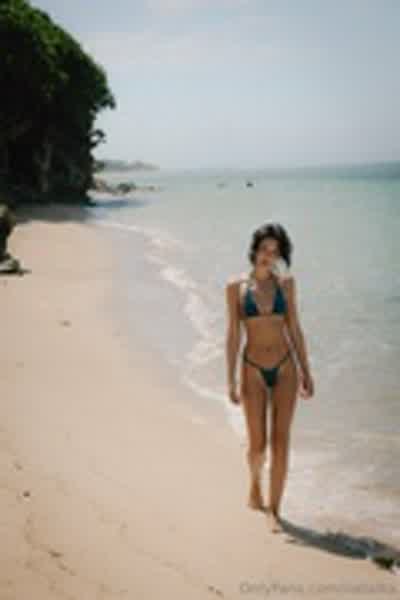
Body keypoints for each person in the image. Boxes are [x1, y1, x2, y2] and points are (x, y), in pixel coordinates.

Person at [225, 223, 314, 533]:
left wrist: (306, 371)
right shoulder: (236, 287)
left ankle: (274, 510)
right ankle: (254, 485)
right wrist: (230, 380)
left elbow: (295, 328)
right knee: (257, 446)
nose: (269, 256)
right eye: (265, 249)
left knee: (281, 442)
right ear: (255, 250)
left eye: (275, 252)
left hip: (286, 367)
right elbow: (233, 335)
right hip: (252, 370)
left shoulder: (286, 285)